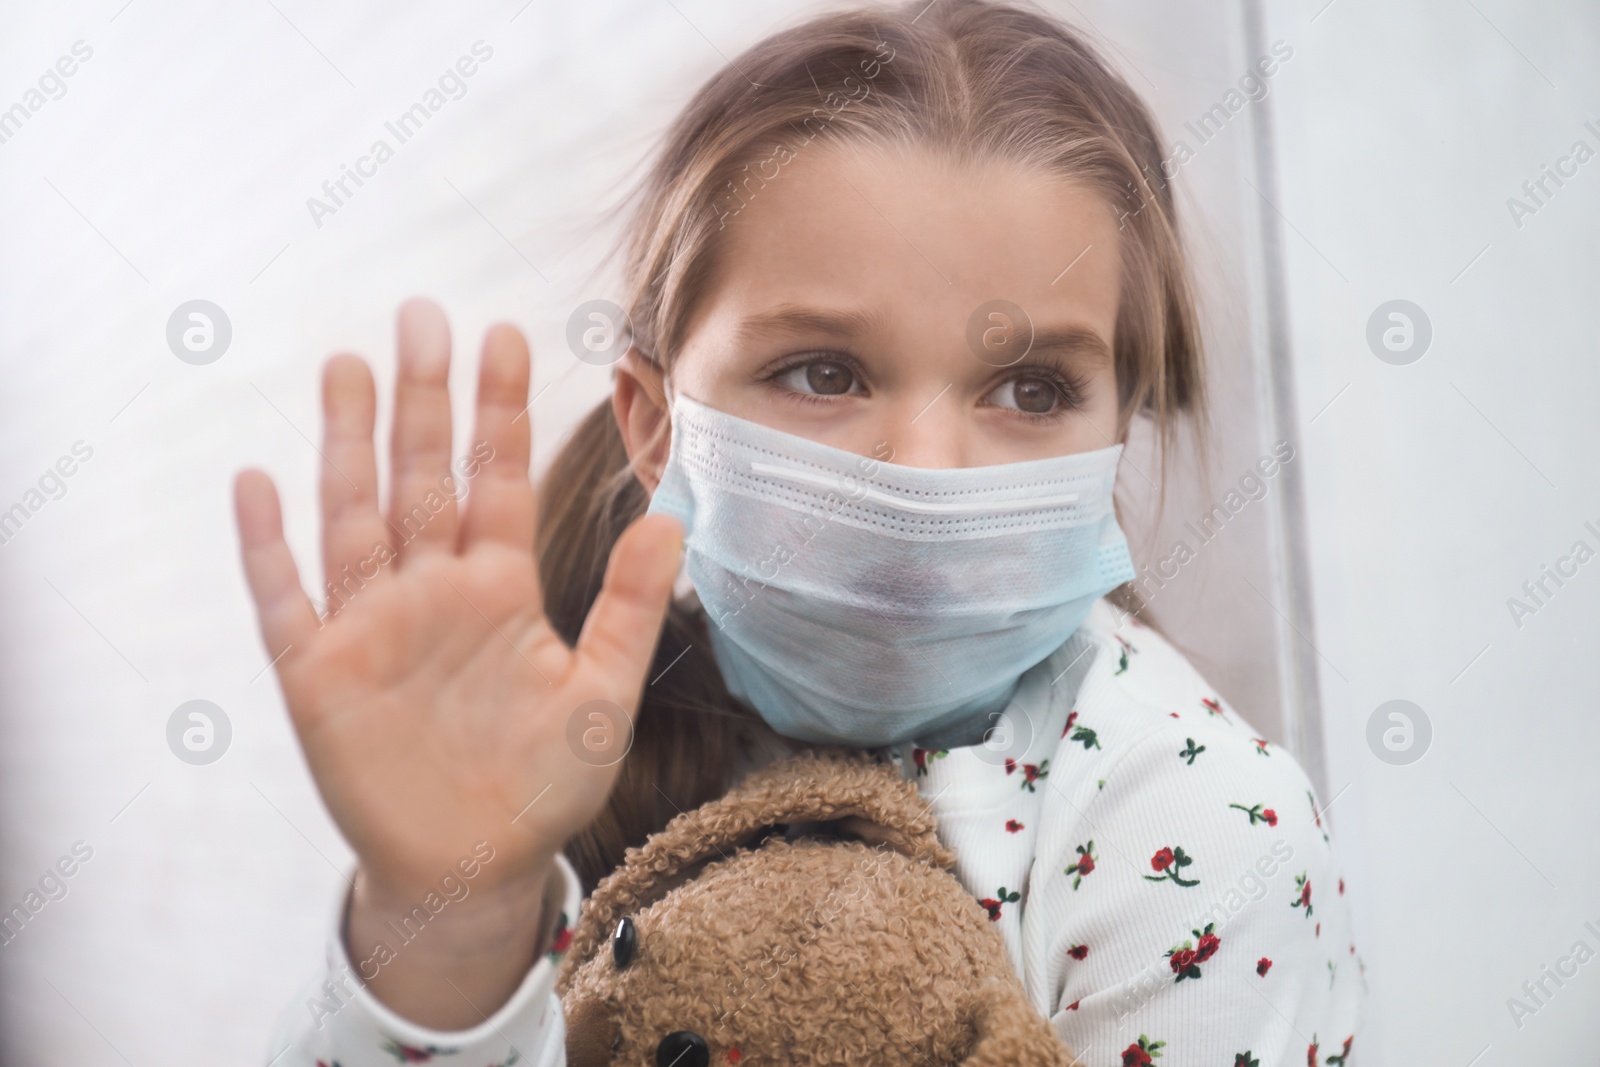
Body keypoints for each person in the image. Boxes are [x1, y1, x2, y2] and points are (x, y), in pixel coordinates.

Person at [238, 1, 1364, 1063]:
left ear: (1118, 424)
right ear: (654, 424)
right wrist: (453, 923)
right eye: (823, 372)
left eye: (1028, 388)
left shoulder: (1198, 827)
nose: (923, 474)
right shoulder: (541, 738)